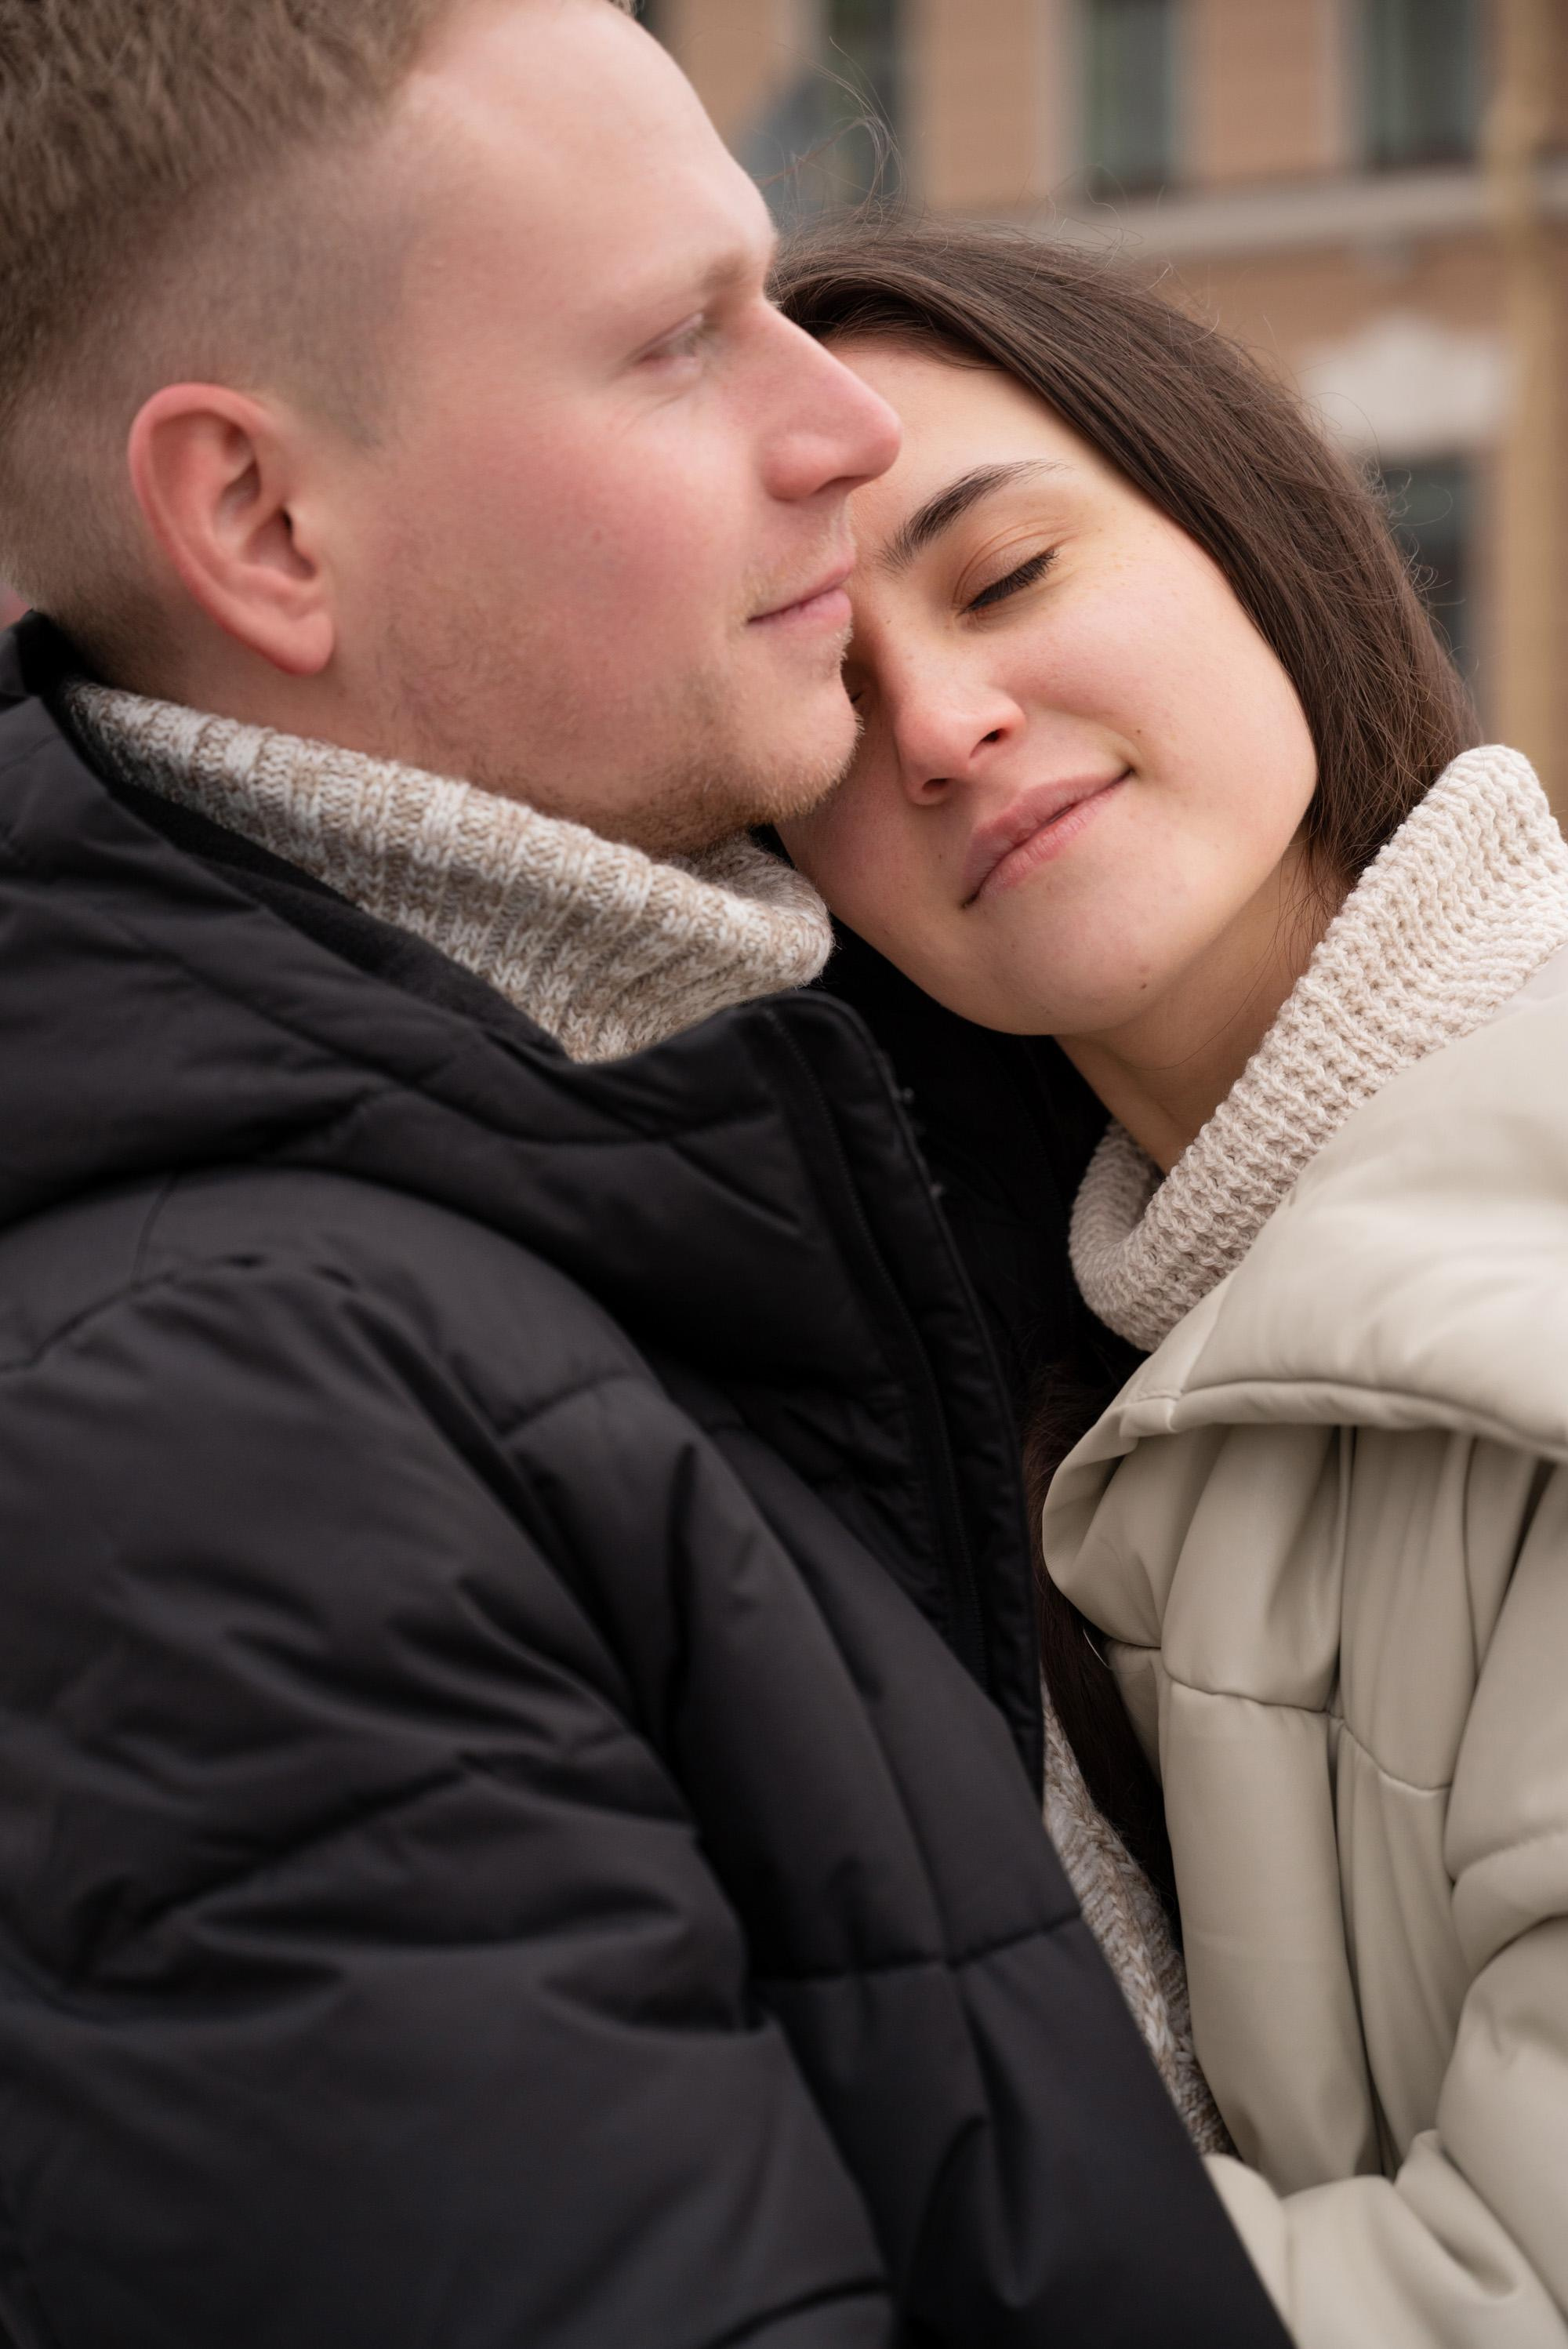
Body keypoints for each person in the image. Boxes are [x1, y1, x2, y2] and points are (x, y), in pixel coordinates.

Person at [0, 7, 1289, 2346]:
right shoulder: (208, 1444)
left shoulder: (733, 1124)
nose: (849, 425)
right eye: (682, 341)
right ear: (265, 522)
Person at [771, 212, 1568, 2347]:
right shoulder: (1075, 1374)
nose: (939, 725)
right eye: (825, 699)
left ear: (1254, 529)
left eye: (1009, 573)